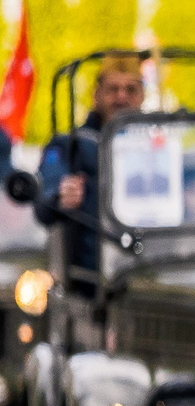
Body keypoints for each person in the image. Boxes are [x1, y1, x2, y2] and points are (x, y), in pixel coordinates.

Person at [40, 56, 148, 272]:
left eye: (130, 90)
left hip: (150, 267)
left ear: (142, 95)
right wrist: (61, 195)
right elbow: (44, 198)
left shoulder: (158, 144)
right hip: (94, 277)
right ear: (96, 94)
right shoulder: (72, 145)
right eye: (113, 89)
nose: (121, 97)